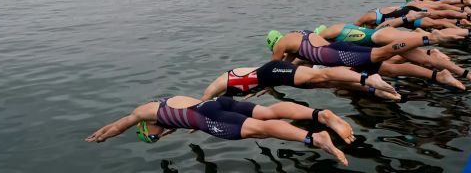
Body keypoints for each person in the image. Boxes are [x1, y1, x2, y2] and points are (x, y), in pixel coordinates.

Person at [85, 95, 352, 166]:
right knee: (269, 112)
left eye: (153, 136)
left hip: (206, 116)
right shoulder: (166, 107)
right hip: (216, 103)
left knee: (260, 130)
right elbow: (180, 116)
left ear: (146, 127)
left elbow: (120, 125)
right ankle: (319, 116)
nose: (158, 136)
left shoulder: (144, 113)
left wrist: (100, 135)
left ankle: (314, 138)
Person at [266, 26, 471, 90]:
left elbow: (274, 67)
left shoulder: (282, 43)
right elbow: (292, 64)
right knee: (389, 65)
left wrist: (263, 81)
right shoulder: (302, 36)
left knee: (384, 54)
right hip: (339, 49)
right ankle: (444, 70)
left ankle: (430, 39)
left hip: (338, 53)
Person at [201, 60, 401, 101]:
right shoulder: (226, 92)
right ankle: (382, 91)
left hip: (271, 71)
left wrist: (179, 121)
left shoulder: (218, 85)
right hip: (273, 78)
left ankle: (369, 79)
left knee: (322, 76)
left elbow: (201, 104)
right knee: (331, 84)